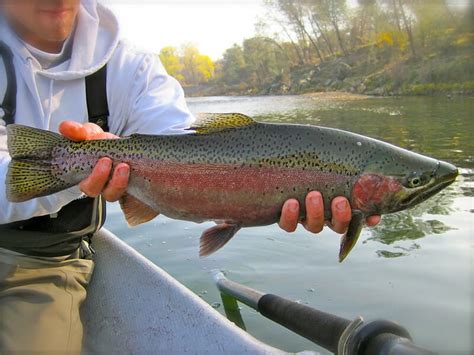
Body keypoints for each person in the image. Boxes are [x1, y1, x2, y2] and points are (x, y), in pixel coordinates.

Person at [0, 0, 380, 352]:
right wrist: (78, 171)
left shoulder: (129, 67)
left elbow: (184, 149)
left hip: (40, 263)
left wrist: (249, 191)